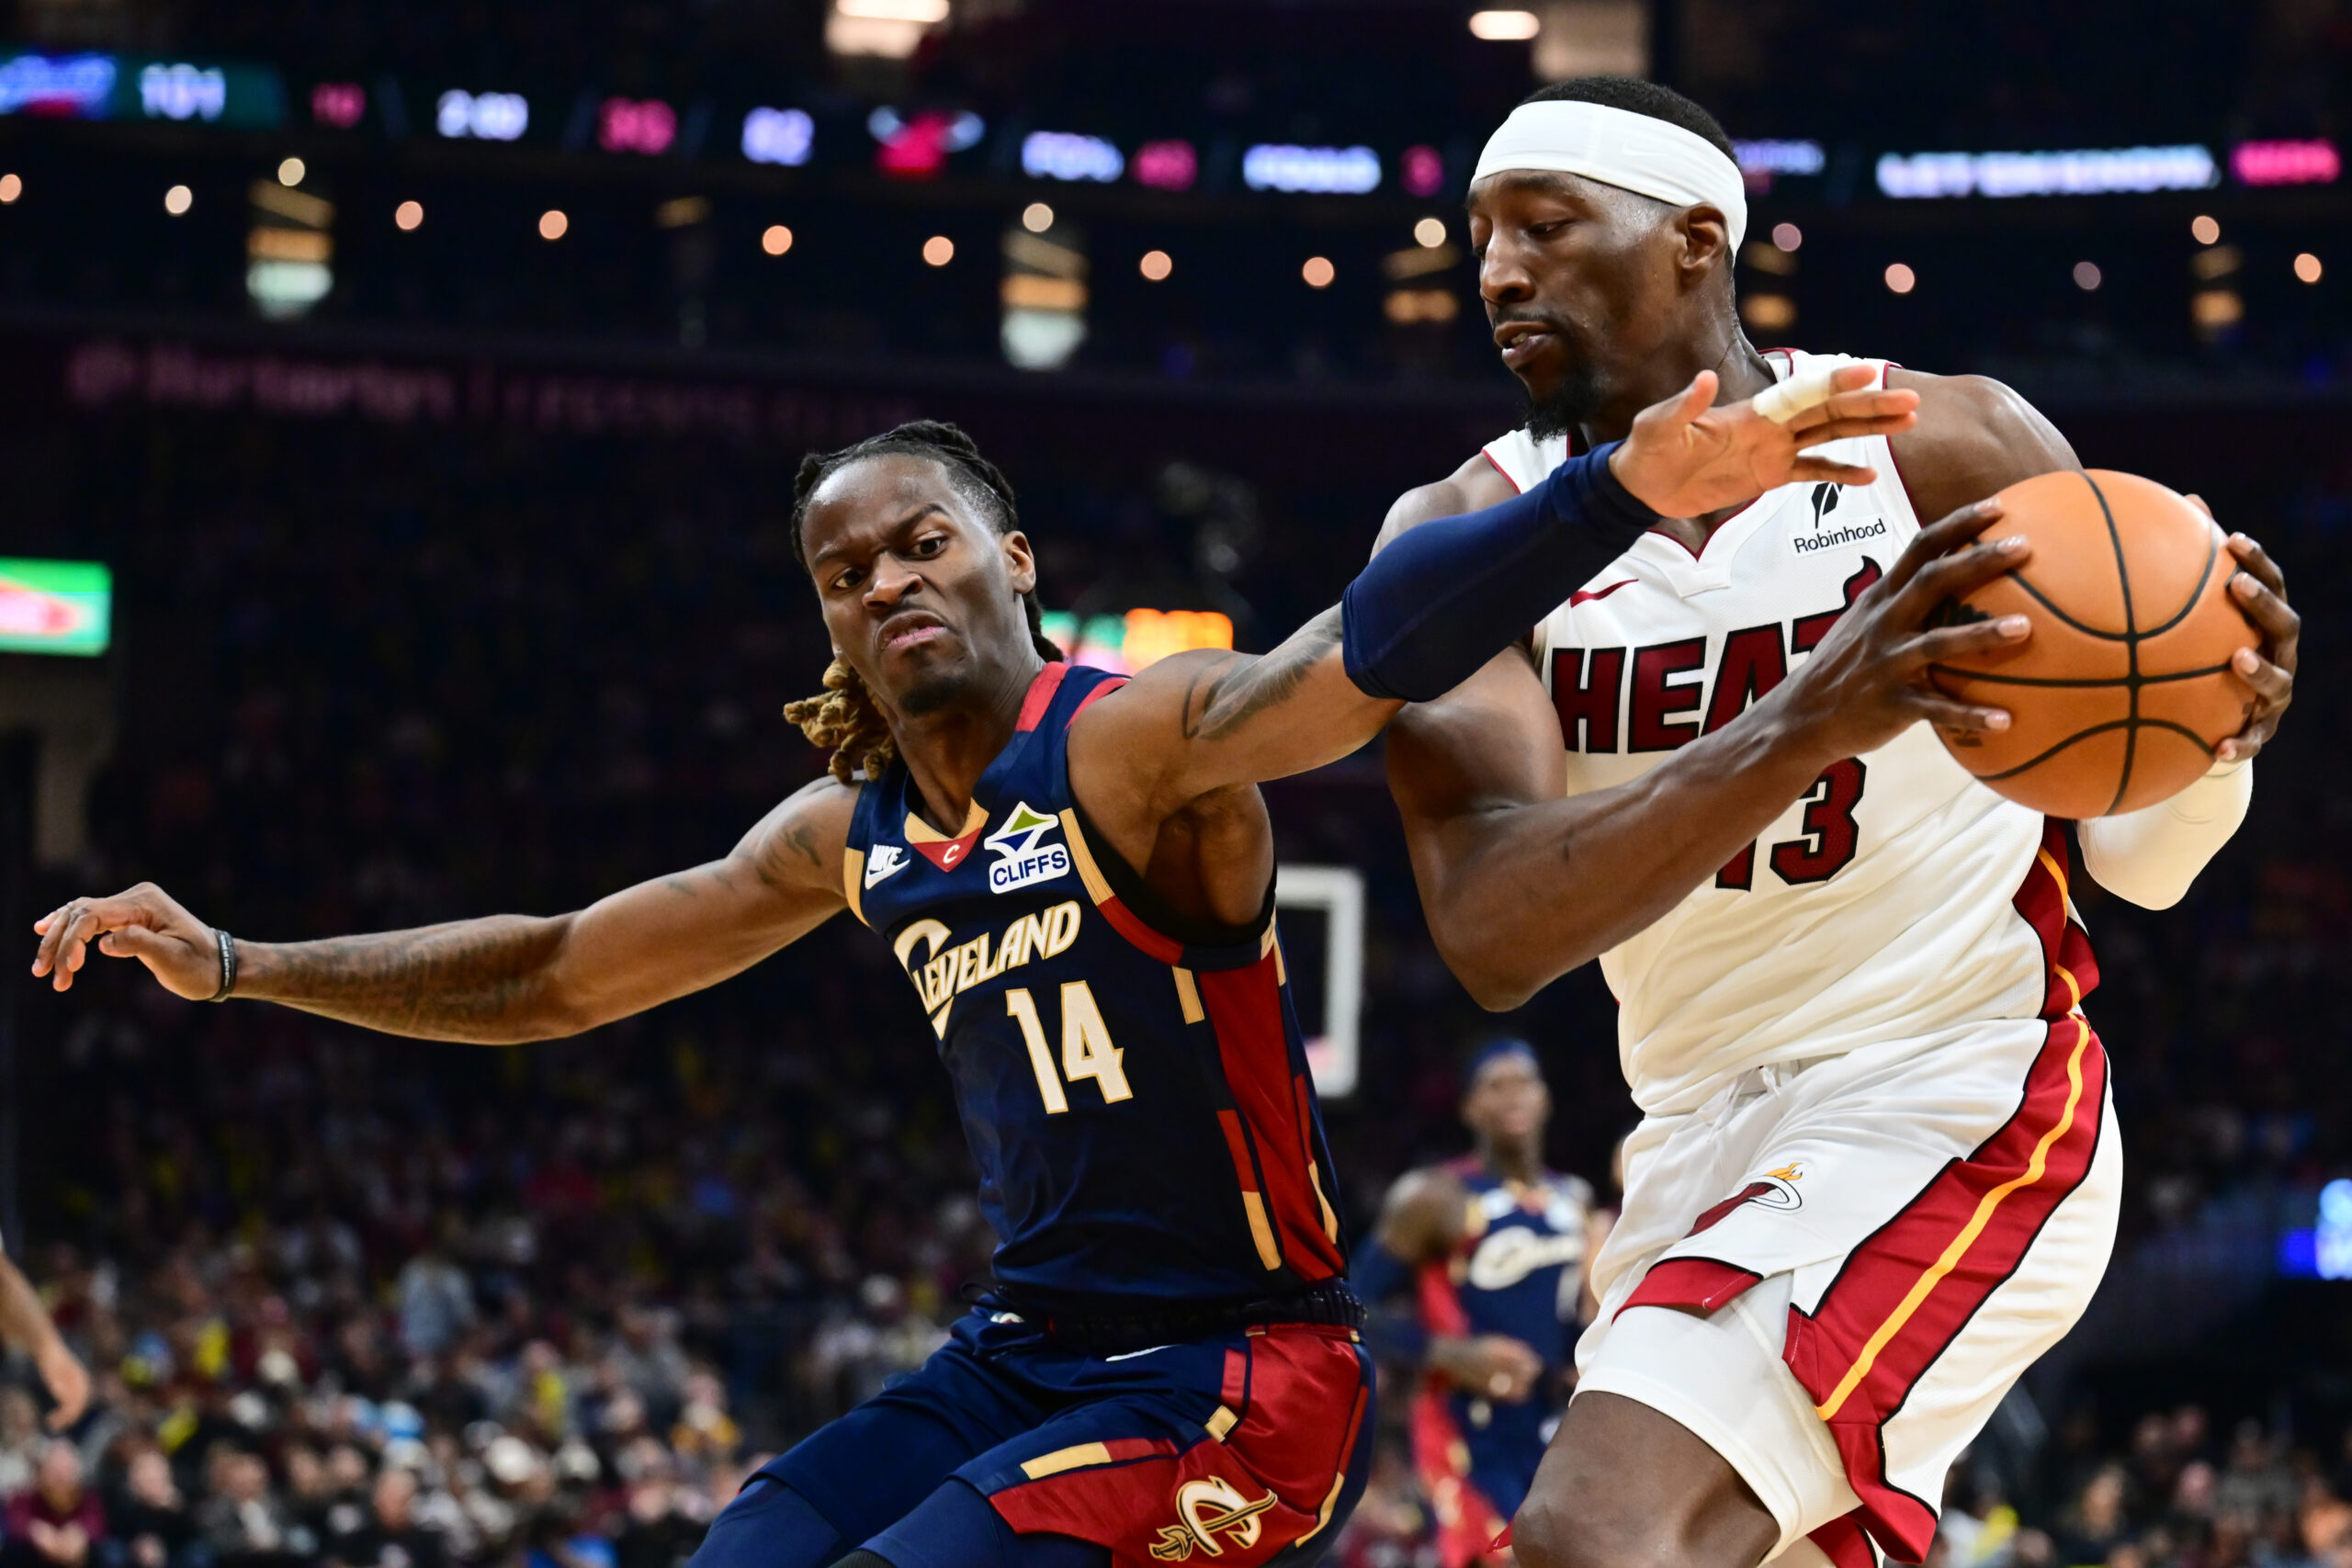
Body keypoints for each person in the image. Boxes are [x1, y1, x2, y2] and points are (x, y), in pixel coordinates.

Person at [28, 391, 1929, 1566]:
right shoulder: (839, 832)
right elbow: (549, 973)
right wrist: (245, 963)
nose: (883, 580)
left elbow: (1346, 667)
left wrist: (1604, 493)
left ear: (1012, 557)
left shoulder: (1134, 743)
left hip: (1250, 1371)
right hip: (1023, 1359)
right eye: (843, 569)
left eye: (920, 538)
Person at [1374, 76, 2302, 1568]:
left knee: (1591, 1532)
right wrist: (1814, 715)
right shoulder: (1459, 538)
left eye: (1545, 227)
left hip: (1955, 1087)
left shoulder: (1942, 451)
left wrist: (2209, 738)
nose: (1494, 271)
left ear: (1693, 242)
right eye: (1477, 234)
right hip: (1691, 1135)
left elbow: (2142, 865)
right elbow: (1494, 933)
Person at [1354, 1041, 1599, 1567]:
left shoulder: (1573, 1198)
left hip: (1548, 1418)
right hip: (1464, 1420)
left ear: (1546, 1097)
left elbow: (1569, 1316)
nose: (1513, 1095)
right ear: (1469, 1107)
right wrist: (1449, 1353)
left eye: (1524, 1082)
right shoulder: (1434, 1197)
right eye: (1495, 1085)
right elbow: (1352, 1304)